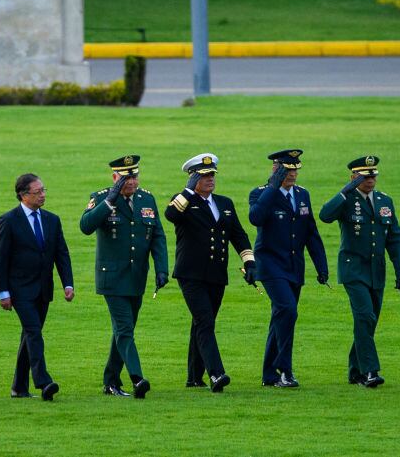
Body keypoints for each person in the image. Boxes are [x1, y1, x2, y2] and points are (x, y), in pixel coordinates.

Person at [79, 155, 168, 399]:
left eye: (134, 176)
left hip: (137, 277)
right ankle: (137, 378)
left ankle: (110, 381)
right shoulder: (101, 198)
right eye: (126, 177)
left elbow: (157, 235)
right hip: (112, 279)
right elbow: (85, 226)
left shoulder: (146, 198)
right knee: (125, 330)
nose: (131, 182)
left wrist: (162, 268)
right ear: (115, 178)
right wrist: (108, 202)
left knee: (122, 331)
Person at [165, 153, 255, 393]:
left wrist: (249, 262)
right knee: (205, 322)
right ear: (193, 177)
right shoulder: (182, 201)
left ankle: (194, 377)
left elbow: (238, 235)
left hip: (216, 275)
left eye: (212, 175)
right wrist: (188, 191)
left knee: (203, 322)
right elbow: (171, 216)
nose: (210, 179)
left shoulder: (224, 203)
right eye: (203, 176)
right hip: (190, 274)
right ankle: (216, 373)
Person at [319, 155, 400, 388]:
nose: (370, 180)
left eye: (373, 175)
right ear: (353, 177)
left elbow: (394, 238)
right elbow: (325, 215)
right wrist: (346, 190)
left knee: (369, 322)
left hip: (376, 271)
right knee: (364, 316)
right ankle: (370, 371)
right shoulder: (346, 200)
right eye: (364, 176)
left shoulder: (384, 200)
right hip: (353, 270)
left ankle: (354, 369)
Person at [248, 149, 329, 388]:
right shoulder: (261, 193)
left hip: (294, 267)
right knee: (288, 310)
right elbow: (256, 218)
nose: (292, 174)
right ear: (275, 169)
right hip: (270, 265)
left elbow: (311, 233)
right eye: (287, 169)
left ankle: (269, 374)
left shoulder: (303, 195)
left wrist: (321, 265)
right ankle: (285, 369)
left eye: (295, 169)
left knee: (280, 316)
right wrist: (273, 187)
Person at [0, 173, 74, 401]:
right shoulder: (8, 220)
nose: (43, 195)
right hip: (19, 291)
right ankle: (44, 381)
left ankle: (18, 387)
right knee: (34, 333)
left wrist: (67, 283)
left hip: (44, 289)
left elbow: (62, 254)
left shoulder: (52, 220)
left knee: (29, 335)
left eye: (44, 190)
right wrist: (3, 292)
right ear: (23, 195)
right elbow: (0, 258)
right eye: (38, 192)